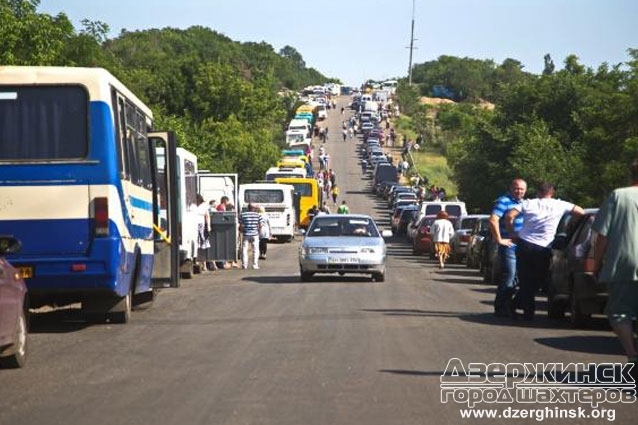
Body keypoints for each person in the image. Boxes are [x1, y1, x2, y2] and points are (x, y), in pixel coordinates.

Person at [505, 182, 584, 320]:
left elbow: (509, 216)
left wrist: (512, 233)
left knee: (525, 279)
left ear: (538, 192)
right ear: (552, 193)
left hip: (525, 244)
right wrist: (572, 223)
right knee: (539, 280)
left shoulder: (529, 203)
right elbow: (581, 212)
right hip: (544, 247)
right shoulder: (560, 204)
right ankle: (525, 311)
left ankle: (518, 307)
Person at [592, 159, 638, 368]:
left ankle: (632, 354)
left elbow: (602, 234)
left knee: (620, 312)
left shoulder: (618, 196)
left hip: (623, 263)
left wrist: (597, 262)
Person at [490, 178, 527, 317]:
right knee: (510, 275)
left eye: (522, 189)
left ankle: (509, 306)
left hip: (522, 245)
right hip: (509, 245)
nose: (519, 191)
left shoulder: (524, 203)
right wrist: (499, 239)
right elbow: (493, 219)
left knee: (518, 277)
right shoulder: (503, 201)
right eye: (517, 188)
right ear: (511, 188)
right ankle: (501, 307)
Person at [239, 203, 264, 270]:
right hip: (255, 234)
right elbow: (260, 225)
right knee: (255, 250)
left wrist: (242, 231)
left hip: (246, 234)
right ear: (254, 208)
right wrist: (258, 231)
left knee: (244, 249)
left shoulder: (243, 215)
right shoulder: (258, 215)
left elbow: (241, 225)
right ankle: (255, 265)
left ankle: (244, 265)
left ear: (248, 207)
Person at [194, 194, 213, 271]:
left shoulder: (204, 206)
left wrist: (208, 226)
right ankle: (199, 263)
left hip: (201, 226)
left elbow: (207, 216)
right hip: (195, 226)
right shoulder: (194, 205)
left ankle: (204, 264)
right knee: (199, 245)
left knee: (202, 246)